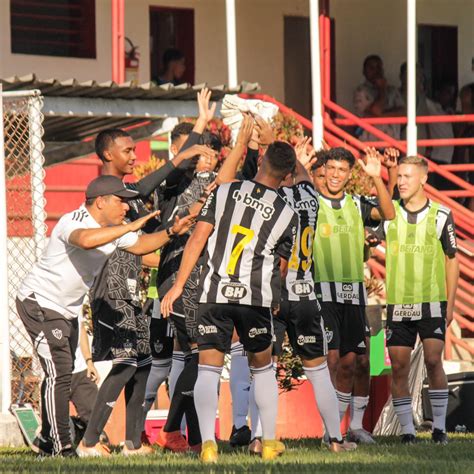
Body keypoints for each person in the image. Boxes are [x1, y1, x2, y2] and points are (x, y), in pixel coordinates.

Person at [16, 175, 191, 457]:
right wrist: (130, 227)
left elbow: (142, 246)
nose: (126, 208)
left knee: (62, 372)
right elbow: (85, 241)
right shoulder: (73, 221)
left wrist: (171, 232)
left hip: (66, 309)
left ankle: (48, 442)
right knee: (59, 372)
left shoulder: (114, 229)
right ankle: (62, 448)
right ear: (101, 202)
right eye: (121, 201)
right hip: (39, 302)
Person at [161, 141, 299, 463]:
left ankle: (208, 444)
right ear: (288, 175)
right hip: (253, 297)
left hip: (214, 293)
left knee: (208, 369)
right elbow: (280, 266)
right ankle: (268, 442)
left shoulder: (224, 192)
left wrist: (179, 286)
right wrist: (275, 299)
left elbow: (197, 238)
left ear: (261, 160)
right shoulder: (287, 214)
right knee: (262, 368)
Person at [79, 128, 200, 457]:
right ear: (107, 155)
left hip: (133, 295)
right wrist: (180, 156)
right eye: (128, 151)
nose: (135, 156)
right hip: (111, 295)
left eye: (135, 150)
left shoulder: (126, 195)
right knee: (125, 365)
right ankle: (88, 443)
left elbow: (141, 240)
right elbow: (149, 185)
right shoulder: (102, 195)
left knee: (143, 365)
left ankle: (132, 444)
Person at [272, 137, 357, 453]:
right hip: (307, 293)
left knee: (264, 366)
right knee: (319, 370)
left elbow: (279, 257)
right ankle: (335, 439)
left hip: (278, 292)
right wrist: (298, 159)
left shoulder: (273, 200)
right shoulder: (309, 194)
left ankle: (260, 438)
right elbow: (306, 177)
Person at [312, 147, 395, 443]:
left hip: (354, 295)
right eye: (331, 168)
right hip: (323, 293)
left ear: (349, 174)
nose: (335, 175)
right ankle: (331, 432)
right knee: (332, 360)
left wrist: (377, 177)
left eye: (341, 170)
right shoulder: (312, 203)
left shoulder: (357, 204)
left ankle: (355, 427)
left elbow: (388, 213)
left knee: (356, 362)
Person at [384, 156, 459, 444]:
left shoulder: (441, 215)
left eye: (407, 176)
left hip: (432, 302)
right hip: (399, 304)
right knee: (400, 367)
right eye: (399, 176)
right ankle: (407, 432)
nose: (401, 181)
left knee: (432, 361)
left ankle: (439, 429)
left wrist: (450, 305)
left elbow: (453, 261)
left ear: (423, 180)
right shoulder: (391, 216)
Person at [353, 55, 404, 141]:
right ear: (364, 71)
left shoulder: (392, 90)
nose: (376, 71)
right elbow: (377, 110)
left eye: (379, 67)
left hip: (392, 144)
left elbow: (404, 113)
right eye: (371, 68)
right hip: (371, 145)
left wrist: (381, 116)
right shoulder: (361, 91)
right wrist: (382, 89)